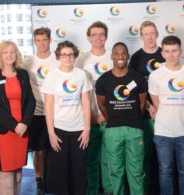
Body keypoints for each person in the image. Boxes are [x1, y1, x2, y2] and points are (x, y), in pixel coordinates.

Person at [96, 42, 147, 195]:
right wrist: (113, 118)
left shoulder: (138, 78)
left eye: (123, 52)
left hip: (135, 130)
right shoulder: (103, 80)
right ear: (111, 56)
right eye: (116, 53)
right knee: (115, 171)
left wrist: (132, 118)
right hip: (113, 131)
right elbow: (102, 105)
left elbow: (142, 104)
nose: (120, 56)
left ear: (128, 56)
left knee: (137, 171)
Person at [42, 40, 92, 195]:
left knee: (78, 170)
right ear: (58, 56)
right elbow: (48, 106)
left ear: (75, 56)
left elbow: (85, 102)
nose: (68, 58)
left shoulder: (81, 74)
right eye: (64, 55)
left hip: (79, 130)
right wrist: (51, 133)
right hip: (59, 130)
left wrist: (87, 129)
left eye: (71, 54)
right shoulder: (52, 75)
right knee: (60, 171)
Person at [0, 41, 35, 195]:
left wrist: (24, 123)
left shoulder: (23, 74)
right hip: (5, 131)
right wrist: (14, 125)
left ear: (17, 55)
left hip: (22, 130)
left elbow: (31, 101)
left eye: (12, 52)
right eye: (5, 52)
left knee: (18, 174)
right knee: (6, 174)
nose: (9, 55)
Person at [75, 21, 113, 195]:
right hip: (88, 117)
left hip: (111, 118)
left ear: (106, 36)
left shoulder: (114, 56)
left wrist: (107, 114)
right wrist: (90, 115)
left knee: (110, 160)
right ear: (88, 38)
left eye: (101, 34)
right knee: (91, 160)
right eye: (94, 34)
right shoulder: (81, 60)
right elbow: (77, 92)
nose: (98, 37)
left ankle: (109, 190)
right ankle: (91, 191)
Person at [129, 20, 165, 194]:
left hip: (165, 113)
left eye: (152, 33)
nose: (150, 37)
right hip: (145, 113)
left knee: (163, 156)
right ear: (141, 36)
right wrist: (149, 106)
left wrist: (159, 107)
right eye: (146, 34)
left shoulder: (166, 54)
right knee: (145, 153)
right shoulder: (135, 58)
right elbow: (131, 87)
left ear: (157, 34)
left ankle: (162, 188)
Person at [23, 27, 58, 195]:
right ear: (34, 42)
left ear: (50, 40)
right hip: (37, 113)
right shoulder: (27, 63)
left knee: (57, 149)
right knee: (39, 150)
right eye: (38, 40)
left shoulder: (58, 60)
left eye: (45, 40)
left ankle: (56, 180)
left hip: (58, 112)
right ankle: (39, 183)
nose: (42, 44)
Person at [148, 35, 184, 195]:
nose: (171, 55)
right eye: (167, 51)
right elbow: (156, 103)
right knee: (165, 171)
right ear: (162, 53)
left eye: (174, 50)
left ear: (181, 51)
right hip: (163, 132)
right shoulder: (155, 75)